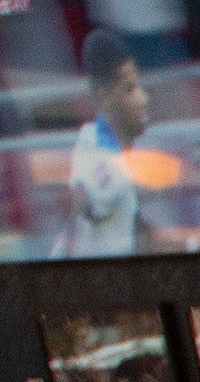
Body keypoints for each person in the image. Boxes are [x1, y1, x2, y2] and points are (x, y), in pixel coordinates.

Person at [52, 28, 153, 260]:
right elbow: (82, 199)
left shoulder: (91, 137)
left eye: (139, 86)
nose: (144, 99)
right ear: (103, 96)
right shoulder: (108, 162)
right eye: (130, 88)